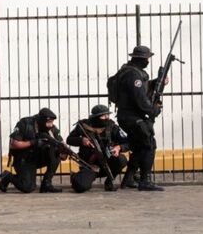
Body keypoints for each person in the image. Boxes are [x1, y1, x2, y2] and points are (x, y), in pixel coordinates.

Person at [116, 45, 167, 191]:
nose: (148, 62)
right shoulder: (133, 75)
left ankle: (128, 179)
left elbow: (140, 90)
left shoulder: (131, 72)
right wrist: (154, 110)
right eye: (146, 59)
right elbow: (140, 99)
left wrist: (158, 81)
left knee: (139, 146)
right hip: (132, 117)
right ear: (140, 59)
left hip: (128, 116)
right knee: (149, 144)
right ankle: (145, 181)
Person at [0, 108, 64, 193]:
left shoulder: (51, 129)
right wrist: (33, 143)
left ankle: (46, 184)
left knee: (55, 152)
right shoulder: (25, 124)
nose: (50, 125)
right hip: (24, 159)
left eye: (52, 122)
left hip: (38, 158)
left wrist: (63, 150)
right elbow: (13, 144)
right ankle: (8, 176)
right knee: (28, 187)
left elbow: (61, 142)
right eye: (48, 122)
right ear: (42, 120)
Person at [66, 104, 129, 193]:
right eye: (103, 116)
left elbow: (127, 142)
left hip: (107, 161)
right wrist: (81, 140)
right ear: (95, 117)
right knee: (80, 186)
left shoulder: (111, 126)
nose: (106, 117)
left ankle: (109, 182)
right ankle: (75, 177)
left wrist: (119, 147)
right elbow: (69, 140)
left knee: (121, 159)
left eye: (107, 115)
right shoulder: (84, 125)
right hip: (90, 165)